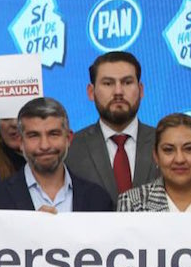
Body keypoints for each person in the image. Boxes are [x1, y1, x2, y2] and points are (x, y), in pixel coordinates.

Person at [0, 98, 113, 212]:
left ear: (69, 138)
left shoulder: (98, 199)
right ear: (21, 142)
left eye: (53, 134)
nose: (45, 145)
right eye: (34, 135)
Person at [66, 51, 159, 201]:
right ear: (91, 92)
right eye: (108, 83)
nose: (118, 92)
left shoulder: (164, 143)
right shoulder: (71, 148)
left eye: (127, 82)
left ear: (141, 90)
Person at [117, 113, 191, 212]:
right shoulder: (133, 202)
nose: (179, 159)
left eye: (189, 149)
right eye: (168, 150)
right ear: (156, 156)